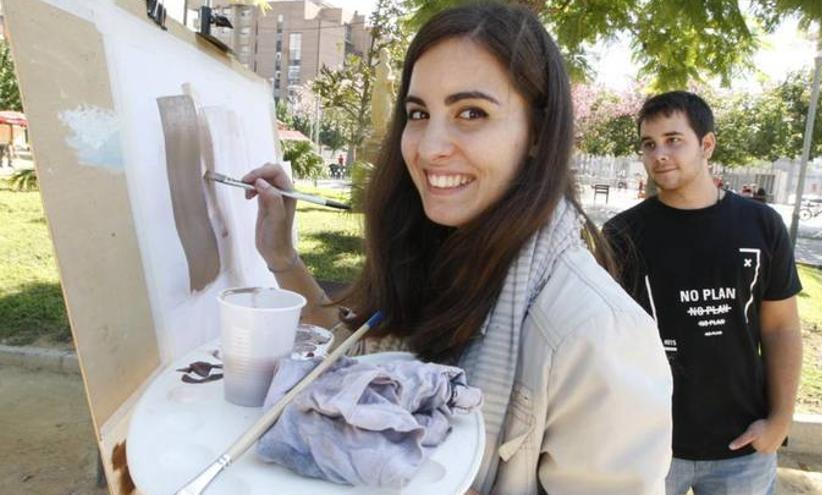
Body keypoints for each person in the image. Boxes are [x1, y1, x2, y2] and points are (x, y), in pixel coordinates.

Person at [242, 3, 672, 494]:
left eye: (472, 113)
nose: (428, 148)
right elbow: (355, 360)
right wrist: (283, 257)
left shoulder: (597, 334)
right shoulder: (437, 251)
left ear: (537, 132)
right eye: (419, 113)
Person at [603, 91, 803, 495]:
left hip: (742, 446)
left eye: (673, 139)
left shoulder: (761, 226)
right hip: (650, 445)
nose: (659, 153)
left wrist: (780, 421)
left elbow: (781, 328)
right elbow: (606, 340)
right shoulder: (622, 235)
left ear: (706, 144)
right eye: (648, 143)